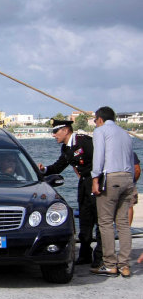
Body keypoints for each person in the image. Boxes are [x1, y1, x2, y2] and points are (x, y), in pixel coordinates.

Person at [37, 118, 102, 267]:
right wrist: (43, 170)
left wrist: (97, 181)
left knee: (100, 220)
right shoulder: (67, 148)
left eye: (55, 131)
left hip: (95, 181)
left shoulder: (84, 142)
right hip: (84, 184)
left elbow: (100, 160)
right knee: (85, 220)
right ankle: (85, 255)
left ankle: (100, 256)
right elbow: (59, 166)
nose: (54, 135)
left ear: (65, 130)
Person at [90, 106, 134, 278]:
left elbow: (99, 156)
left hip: (111, 177)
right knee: (123, 223)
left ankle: (109, 263)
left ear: (99, 119)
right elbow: (130, 158)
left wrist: (95, 179)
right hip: (128, 177)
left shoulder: (101, 131)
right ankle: (124, 264)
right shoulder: (125, 133)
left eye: (95, 120)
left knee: (106, 222)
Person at [128, 152, 140, 227]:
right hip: (129, 181)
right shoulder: (131, 153)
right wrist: (133, 181)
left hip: (113, 181)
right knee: (129, 205)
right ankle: (128, 228)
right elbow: (137, 170)